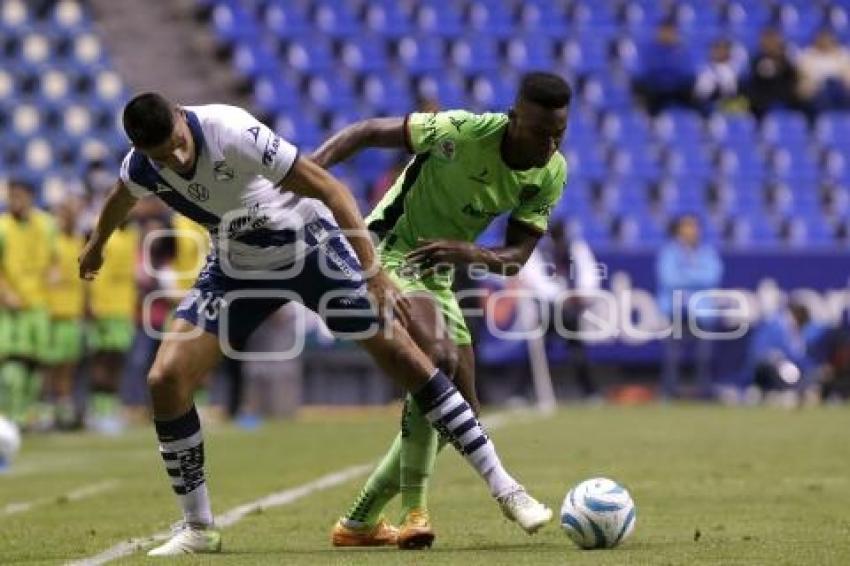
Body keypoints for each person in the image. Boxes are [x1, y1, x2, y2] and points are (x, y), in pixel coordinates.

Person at [78, 93, 551, 556]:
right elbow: (122, 197)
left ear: (182, 116)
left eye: (179, 142)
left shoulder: (232, 130)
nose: (177, 157)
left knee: (410, 360)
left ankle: (507, 490)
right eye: (163, 156)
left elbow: (330, 188)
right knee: (165, 379)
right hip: (237, 269)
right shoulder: (142, 165)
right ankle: (199, 526)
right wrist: (98, 243)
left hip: (311, 251)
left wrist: (374, 273)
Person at [310, 71, 570, 549]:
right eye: (540, 132)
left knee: (463, 412)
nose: (550, 144)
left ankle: (360, 520)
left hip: (439, 270)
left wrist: (470, 253)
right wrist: (306, 171)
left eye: (560, 133)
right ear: (515, 119)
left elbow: (515, 260)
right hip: (388, 251)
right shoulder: (460, 130)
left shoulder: (551, 172)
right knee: (440, 359)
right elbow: (367, 131)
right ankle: (415, 510)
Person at [0, 180, 55, 427]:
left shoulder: (46, 224)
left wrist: (54, 273)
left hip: (39, 305)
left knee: (35, 364)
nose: (15, 202)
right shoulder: (2, 227)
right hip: (12, 307)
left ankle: (26, 414)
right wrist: (4, 292)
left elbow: (54, 259)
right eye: (11, 197)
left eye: (20, 196)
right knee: (13, 363)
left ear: (31, 196)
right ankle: (9, 414)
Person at [656, 214, 723, 399]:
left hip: (703, 311)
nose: (690, 231)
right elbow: (668, 279)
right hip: (675, 310)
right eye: (686, 227)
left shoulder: (707, 252)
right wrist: (696, 276)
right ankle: (669, 393)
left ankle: (704, 393)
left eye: (693, 227)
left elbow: (712, 277)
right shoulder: (669, 252)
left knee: (705, 356)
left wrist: (685, 275)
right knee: (672, 356)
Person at [86, 217, 138, 432]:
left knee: (117, 360)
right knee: (102, 359)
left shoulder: (134, 235)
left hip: (124, 308)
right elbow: (92, 270)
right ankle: (97, 411)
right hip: (104, 308)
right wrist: (93, 303)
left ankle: (110, 409)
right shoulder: (102, 235)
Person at [45, 198, 86, 429]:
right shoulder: (51, 241)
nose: (68, 219)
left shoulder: (80, 241)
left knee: (68, 368)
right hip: (53, 313)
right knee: (50, 367)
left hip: (73, 314)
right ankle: (47, 412)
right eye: (64, 214)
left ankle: (62, 414)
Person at [632, 20, 696, 115]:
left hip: (678, 89)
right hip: (656, 89)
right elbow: (643, 71)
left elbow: (687, 72)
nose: (667, 35)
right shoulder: (648, 49)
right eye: (664, 31)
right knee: (640, 86)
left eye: (670, 32)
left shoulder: (682, 50)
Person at [746, 28, 800, 119]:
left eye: (773, 41)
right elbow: (755, 79)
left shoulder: (786, 61)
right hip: (761, 101)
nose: (771, 45)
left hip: (784, 99)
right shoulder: (756, 60)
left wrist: (780, 62)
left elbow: (792, 78)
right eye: (768, 41)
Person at [797, 28, 850, 113]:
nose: (825, 41)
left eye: (827, 39)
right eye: (822, 39)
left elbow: (847, 76)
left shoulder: (842, 54)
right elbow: (804, 78)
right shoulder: (807, 55)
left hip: (839, 89)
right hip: (818, 91)